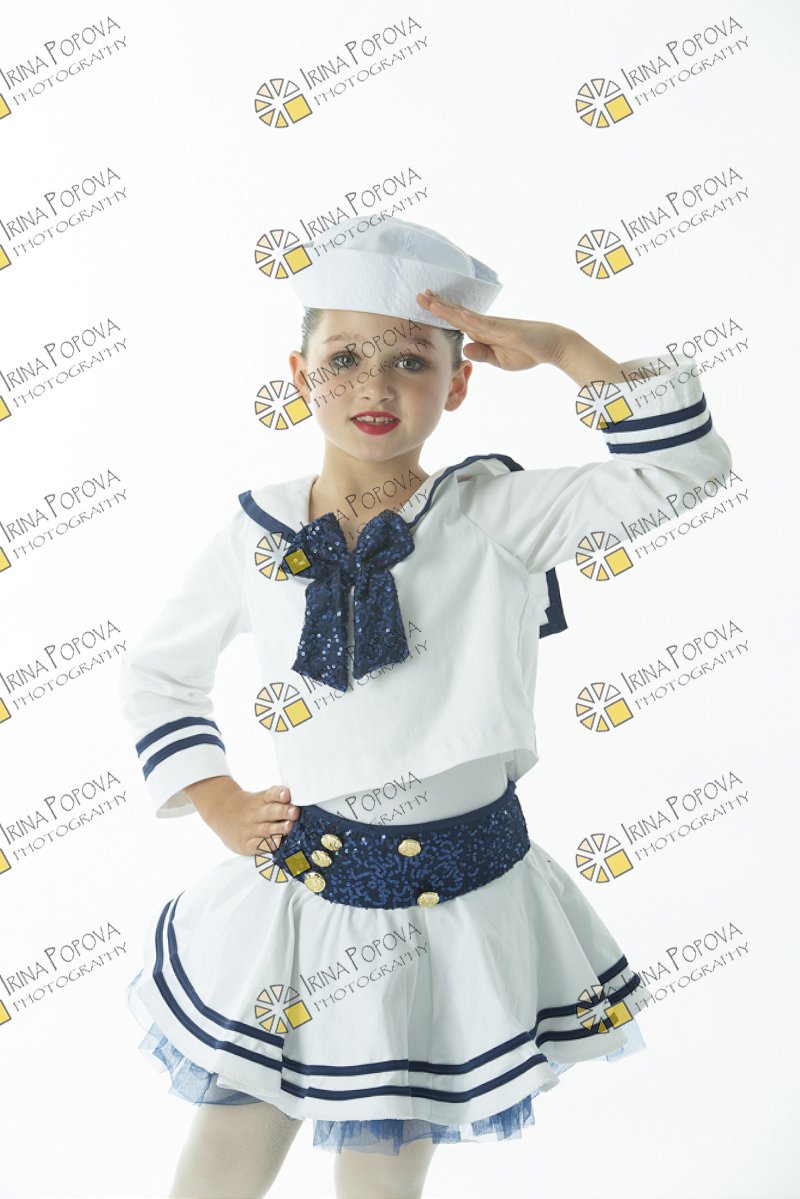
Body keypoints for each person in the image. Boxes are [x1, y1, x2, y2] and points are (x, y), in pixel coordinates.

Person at [118, 215, 734, 1199]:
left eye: (410, 360)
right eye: (344, 358)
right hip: (306, 895)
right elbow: (157, 672)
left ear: (457, 383)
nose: (374, 385)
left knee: (383, 1167)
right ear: (299, 374)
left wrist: (564, 349)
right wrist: (218, 797)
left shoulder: (496, 514)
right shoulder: (256, 531)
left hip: (460, 901)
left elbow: (682, 468)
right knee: (227, 1152)